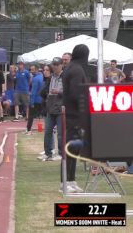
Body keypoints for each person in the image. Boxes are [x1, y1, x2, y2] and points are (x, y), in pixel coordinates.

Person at [61, 44, 90, 193]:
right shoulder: (77, 69)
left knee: (73, 148)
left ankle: (70, 180)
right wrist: (84, 110)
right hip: (75, 115)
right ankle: (66, 182)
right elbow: (76, 93)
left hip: (71, 113)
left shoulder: (70, 67)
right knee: (71, 148)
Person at [41, 58, 63, 161]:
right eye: (53, 64)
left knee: (60, 133)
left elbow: (68, 91)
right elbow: (47, 91)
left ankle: (61, 153)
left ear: (61, 65)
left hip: (60, 107)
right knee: (48, 131)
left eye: (56, 64)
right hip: (51, 106)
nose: (54, 66)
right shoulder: (51, 77)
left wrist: (58, 92)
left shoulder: (65, 76)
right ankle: (47, 153)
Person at [25, 64, 43, 135]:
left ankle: (28, 129)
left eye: (32, 70)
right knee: (43, 115)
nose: (31, 71)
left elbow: (33, 91)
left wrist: (31, 102)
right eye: (30, 70)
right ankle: (41, 128)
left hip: (35, 100)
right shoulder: (42, 77)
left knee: (31, 116)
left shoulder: (35, 79)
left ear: (37, 69)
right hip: (42, 99)